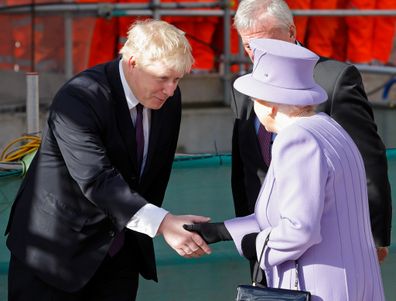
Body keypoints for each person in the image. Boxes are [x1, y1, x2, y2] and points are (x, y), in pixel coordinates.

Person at [5, 19, 211, 301]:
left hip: (119, 256)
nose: (171, 89)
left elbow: (150, 175)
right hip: (53, 255)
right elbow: (96, 179)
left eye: (178, 79)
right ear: (133, 62)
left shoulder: (167, 100)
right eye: (163, 77)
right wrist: (163, 224)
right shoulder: (79, 97)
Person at [185, 38, 386, 301]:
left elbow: (299, 230)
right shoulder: (326, 126)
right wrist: (222, 231)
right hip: (351, 282)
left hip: (320, 286)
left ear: (268, 104)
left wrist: (255, 245)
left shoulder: (297, 139)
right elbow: (289, 213)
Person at [230, 0, 392, 276]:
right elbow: (244, 170)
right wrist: (246, 231)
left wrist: (375, 236)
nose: (257, 56)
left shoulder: (333, 79)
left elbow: (368, 160)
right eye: (248, 47)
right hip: (267, 245)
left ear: (291, 32)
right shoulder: (245, 87)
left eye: (265, 44)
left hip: (330, 245)